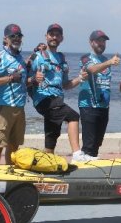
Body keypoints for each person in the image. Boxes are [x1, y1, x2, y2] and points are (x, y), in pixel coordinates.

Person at [29, 23, 86, 159]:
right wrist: (34, 78)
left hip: (57, 99)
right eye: (51, 34)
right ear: (46, 36)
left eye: (57, 35)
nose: (54, 37)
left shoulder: (61, 59)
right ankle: (77, 154)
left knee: (51, 137)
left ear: (62, 38)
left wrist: (80, 78)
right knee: (73, 117)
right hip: (44, 99)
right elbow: (23, 77)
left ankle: (47, 163)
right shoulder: (38, 56)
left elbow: (65, 85)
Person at [0, 23, 28, 165]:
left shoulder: (20, 58)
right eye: (13, 36)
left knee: (14, 146)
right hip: (3, 108)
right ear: (6, 39)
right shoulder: (0, 57)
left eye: (19, 36)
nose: (16, 38)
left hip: (19, 108)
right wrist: (9, 78)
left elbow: (21, 80)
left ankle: (10, 176)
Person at [78, 30, 120, 160]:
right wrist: (109, 63)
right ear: (91, 42)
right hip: (89, 106)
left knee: (97, 142)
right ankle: (85, 169)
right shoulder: (86, 58)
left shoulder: (106, 60)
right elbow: (91, 70)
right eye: (98, 41)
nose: (101, 43)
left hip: (103, 106)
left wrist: (109, 62)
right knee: (89, 144)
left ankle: (92, 166)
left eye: (103, 41)